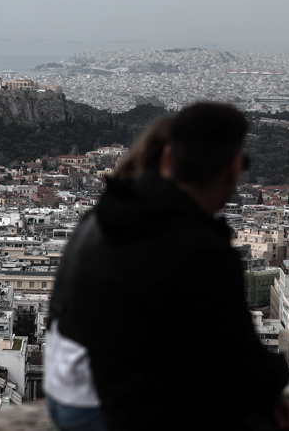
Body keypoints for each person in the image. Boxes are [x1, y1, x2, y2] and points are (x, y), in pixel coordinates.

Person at [51, 102, 289, 430]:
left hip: (68, 393)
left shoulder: (110, 211)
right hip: (105, 409)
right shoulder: (194, 246)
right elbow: (242, 370)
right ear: (232, 170)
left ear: (167, 158)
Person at [44, 114, 174, 431]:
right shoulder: (160, 225)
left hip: (63, 390)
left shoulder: (105, 212)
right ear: (168, 160)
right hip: (97, 401)